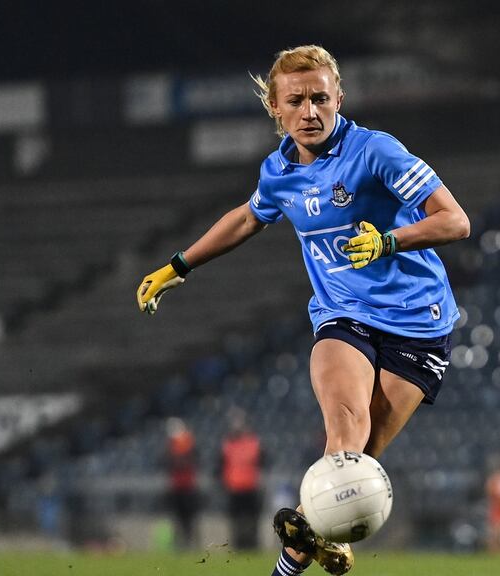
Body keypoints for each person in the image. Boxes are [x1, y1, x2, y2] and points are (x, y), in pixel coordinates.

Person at [135, 45, 470, 575]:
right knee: (344, 436)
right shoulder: (278, 172)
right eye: (296, 101)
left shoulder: (376, 152)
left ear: (339, 98)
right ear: (275, 106)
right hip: (343, 315)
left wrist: (388, 241)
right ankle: (307, 551)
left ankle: (323, 535)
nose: (309, 112)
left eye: (320, 98)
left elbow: (455, 221)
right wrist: (178, 266)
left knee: (356, 465)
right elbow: (248, 218)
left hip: (419, 324)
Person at [219, 411, 263, 551]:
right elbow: (221, 465)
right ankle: (237, 544)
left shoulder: (253, 442)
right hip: (234, 488)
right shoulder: (227, 444)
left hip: (250, 487)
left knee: (252, 519)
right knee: (235, 520)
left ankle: (252, 544)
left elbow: (262, 461)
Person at [166, 417, 199, 550]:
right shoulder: (172, 444)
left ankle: (189, 542)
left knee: (188, 517)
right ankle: (181, 542)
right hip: (177, 485)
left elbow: (185, 461)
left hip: (187, 485)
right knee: (178, 516)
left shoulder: (188, 443)